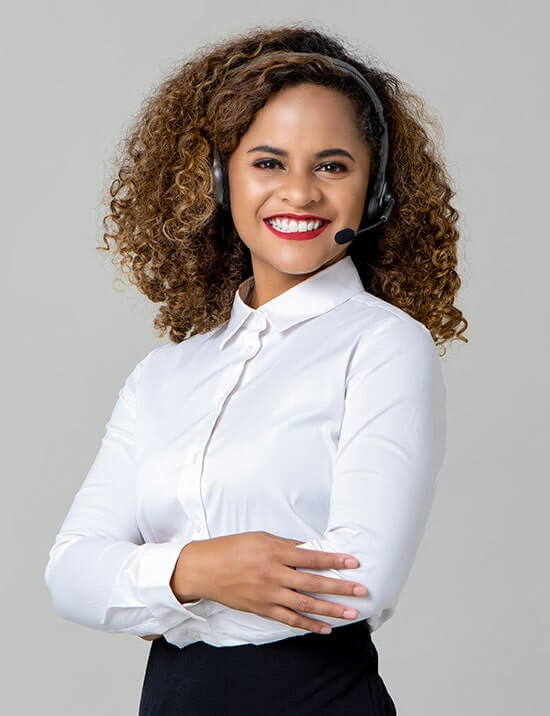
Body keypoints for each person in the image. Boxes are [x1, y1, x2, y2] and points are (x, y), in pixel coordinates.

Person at [44, 23, 468, 715]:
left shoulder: (385, 346)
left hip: (312, 697)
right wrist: (201, 570)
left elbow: (357, 584)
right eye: (268, 162)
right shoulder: (165, 373)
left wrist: (152, 588)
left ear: (375, 191)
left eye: (332, 166)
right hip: (171, 698)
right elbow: (70, 574)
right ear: (218, 180)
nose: (299, 193)